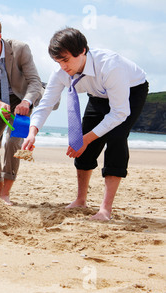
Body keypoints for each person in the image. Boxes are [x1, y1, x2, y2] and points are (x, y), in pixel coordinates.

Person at [22, 27, 148, 221]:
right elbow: (46, 103)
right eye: (58, 61)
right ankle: (81, 199)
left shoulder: (110, 66)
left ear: (82, 51)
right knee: (82, 139)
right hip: (99, 94)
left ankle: (105, 209)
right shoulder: (61, 71)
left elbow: (119, 113)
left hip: (131, 91)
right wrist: (32, 131)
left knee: (116, 137)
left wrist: (87, 139)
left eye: (66, 60)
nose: (63, 66)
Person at [0, 16, 44, 205]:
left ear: (0, 37)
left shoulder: (20, 49)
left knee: (13, 143)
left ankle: (5, 193)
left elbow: (35, 82)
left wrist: (27, 102)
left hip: (22, 100)